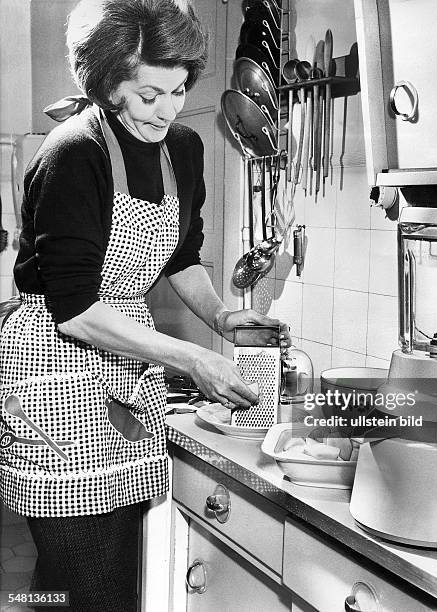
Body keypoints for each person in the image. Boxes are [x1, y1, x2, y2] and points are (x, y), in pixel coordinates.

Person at [0, 1, 290, 610]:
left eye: (179, 90)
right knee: (86, 582)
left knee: (99, 575)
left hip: (127, 374)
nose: (168, 109)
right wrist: (191, 357)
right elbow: (75, 309)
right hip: (53, 378)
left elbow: (181, 255)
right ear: (107, 86)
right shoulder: (72, 154)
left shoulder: (182, 149)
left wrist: (223, 318)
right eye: (148, 94)